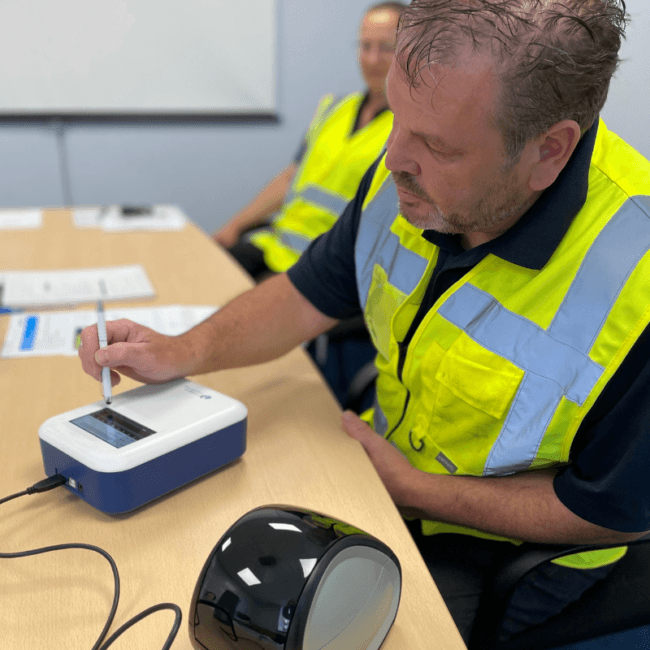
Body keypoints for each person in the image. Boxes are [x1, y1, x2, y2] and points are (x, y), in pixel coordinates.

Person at [79, 0, 650, 643]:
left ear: (549, 151)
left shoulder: (637, 278)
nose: (393, 157)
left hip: (499, 544)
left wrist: (415, 489)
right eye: (397, 118)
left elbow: (608, 513)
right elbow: (305, 293)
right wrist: (185, 349)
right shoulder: (406, 175)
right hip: (385, 478)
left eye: (435, 144)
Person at [213, 2, 406, 281]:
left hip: (327, 270)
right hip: (276, 246)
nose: (372, 59)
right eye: (365, 46)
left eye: (386, 47)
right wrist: (233, 226)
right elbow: (292, 176)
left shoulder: (409, 129)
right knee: (203, 276)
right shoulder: (333, 108)